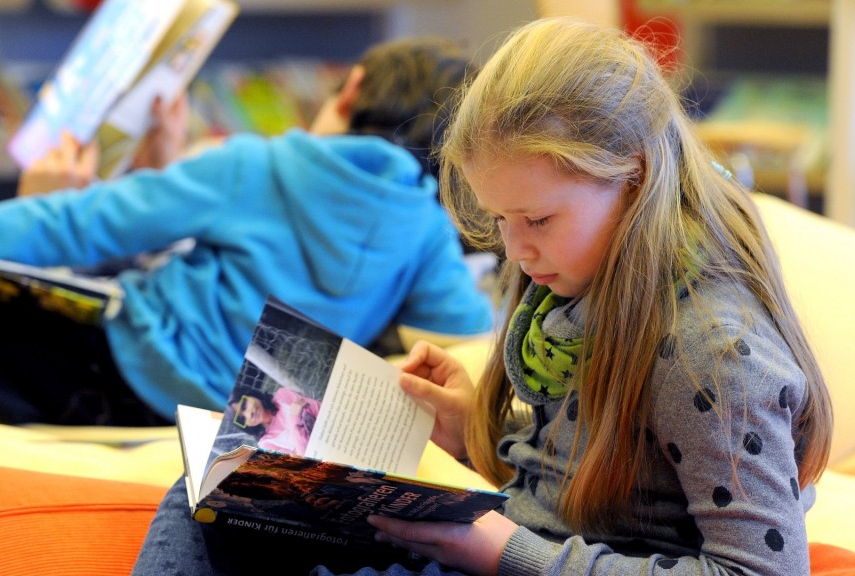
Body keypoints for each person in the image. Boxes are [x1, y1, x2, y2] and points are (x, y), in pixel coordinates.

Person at [128, 17, 834, 575]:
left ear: (634, 178)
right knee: (219, 485)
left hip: (518, 562)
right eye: (500, 221)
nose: (518, 250)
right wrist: (472, 431)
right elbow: (589, 484)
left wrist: (500, 551)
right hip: (520, 546)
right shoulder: (580, 285)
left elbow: (759, 573)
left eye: (538, 220)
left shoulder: (711, 349)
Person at [0, 36, 494, 426]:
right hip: (215, 417)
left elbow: (77, 223)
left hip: (121, 364)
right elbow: (468, 349)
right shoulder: (427, 233)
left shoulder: (256, 165)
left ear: (347, 92)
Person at [228, 386, 321, 454]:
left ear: (251, 394)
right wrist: (294, 420)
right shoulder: (267, 444)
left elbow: (319, 409)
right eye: (243, 419)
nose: (249, 414)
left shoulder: (282, 396)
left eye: (244, 405)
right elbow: (305, 457)